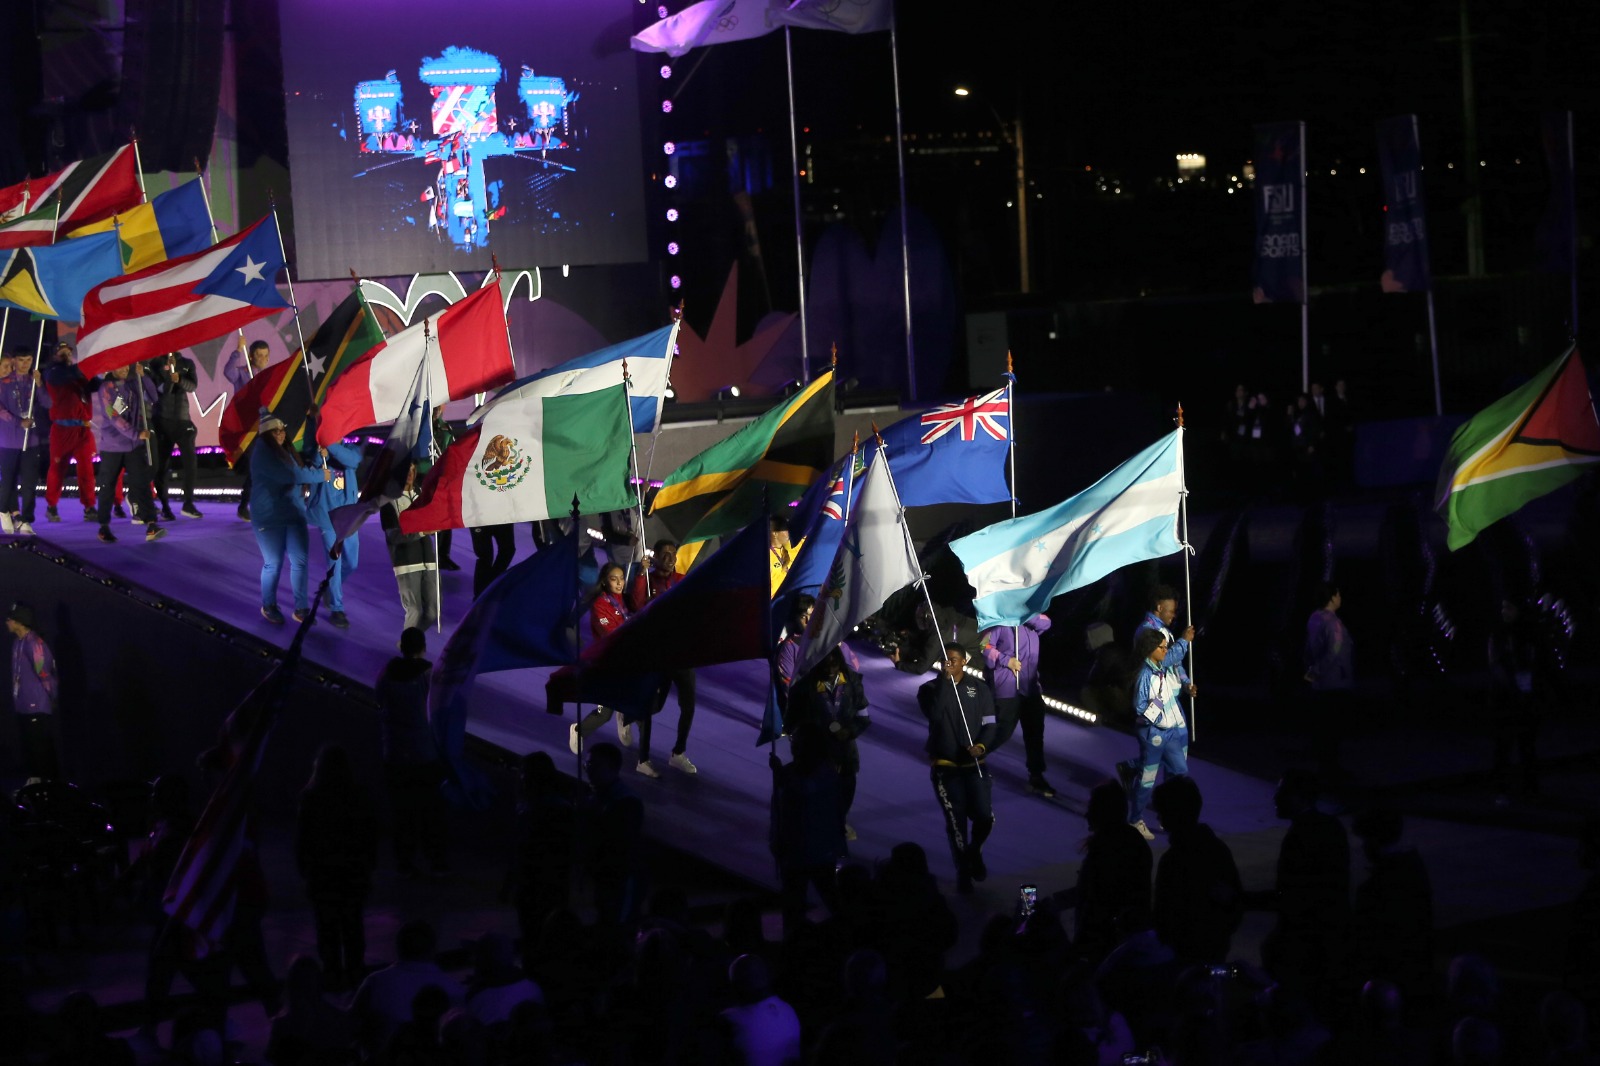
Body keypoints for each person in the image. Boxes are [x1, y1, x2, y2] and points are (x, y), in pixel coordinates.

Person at [917, 641, 999, 894]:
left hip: (974, 765)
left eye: (954, 659)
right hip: (946, 767)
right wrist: (945, 682)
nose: (949, 662)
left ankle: (974, 852)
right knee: (957, 823)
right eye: (945, 659)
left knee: (985, 818)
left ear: (965, 661)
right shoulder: (929, 689)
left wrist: (982, 746)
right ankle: (963, 871)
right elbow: (935, 714)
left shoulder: (980, 689)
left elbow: (990, 724)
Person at [295, 744, 378, 990]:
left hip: (322, 874)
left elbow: (302, 839)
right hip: (354, 873)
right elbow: (370, 836)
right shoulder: (358, 795)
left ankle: (332, 975)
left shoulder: (311, 797)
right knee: (353, 926)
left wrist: (305, 869)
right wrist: (369, 866)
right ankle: (355, 974)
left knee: (327, 928)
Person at [376, 627, 448, 878]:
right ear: (423, 648)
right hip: (423, 754)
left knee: (402, 813)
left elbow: (380, 701)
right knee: (430, 812)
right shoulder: (428, 674)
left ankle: (405, 863)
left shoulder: (386, 673)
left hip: (394, 752)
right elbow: (440, 705)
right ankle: (436, 862)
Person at [1150, 776, 1243, 965]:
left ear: (1173, 813)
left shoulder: (1174, 859)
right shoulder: (1218, 850)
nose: (1158, 817)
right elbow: (1234, 904)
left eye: (1161, 811)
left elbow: (1164, 913)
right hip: (1213, 951)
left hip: (1182, 956)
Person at [250, 408, 328, 624]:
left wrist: (311, 421)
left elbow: (303, 463)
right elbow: (291, 475)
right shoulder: (263, 453)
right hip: (269, 518)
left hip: (293, 514)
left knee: (300, 561)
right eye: (275, 431)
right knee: (273, 563)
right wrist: (320, 475)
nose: (281, 434)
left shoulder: (286, 452)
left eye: (282, 430)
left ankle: (301, 609)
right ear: (266, 435)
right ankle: (268, 605)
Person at [1350, 808, 1434, 1008]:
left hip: (1388, 974)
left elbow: (1367, 943)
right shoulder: (1414, 870)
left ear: (1373, 840)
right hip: (1414, 970)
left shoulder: (1375, 888)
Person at [626, 539, 697, 777]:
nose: (670, 558)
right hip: (657, 654)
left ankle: (678, 753)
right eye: (664, 554)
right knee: (653, 706)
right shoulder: (647, 580)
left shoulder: (682, 580)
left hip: (681, 654)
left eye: (673, 554)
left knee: (688, 705)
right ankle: (643, 759)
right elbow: (637, 605)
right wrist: (641, 574)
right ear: (654, 556)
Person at [350, 920, 465, 1060]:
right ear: (433, 948)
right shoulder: (454, 988)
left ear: (397, 947)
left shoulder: (375, 982)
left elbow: (351, 1026)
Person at [768, 721, 843, 935]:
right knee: (793, 906)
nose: (793, 745)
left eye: (797, 741)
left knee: (832, 898)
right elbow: (778, 809)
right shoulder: (790, 771)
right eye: (793, 740)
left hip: (818, 851)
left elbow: (805, 791)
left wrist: (780, 775)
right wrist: (775, 838)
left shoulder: (825, 771)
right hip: (792, 852)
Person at [1068, 779, 1153, 967]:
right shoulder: (1132, 842)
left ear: (1103, 812)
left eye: (1092, 808)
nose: (1086, 814)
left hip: (1106, 948)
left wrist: (1078, 948)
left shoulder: (1106, 849)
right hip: (1124, 943)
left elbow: (1098, 903)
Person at [788, 647, 870, 840]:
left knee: (846, 788)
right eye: (825, 665)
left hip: (845, 750)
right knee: (814, 792)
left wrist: (849, 731)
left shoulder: (852, 681)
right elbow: (792, 721)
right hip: (814, 750)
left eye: (834, 664)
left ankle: (839, 821)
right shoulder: (804, 686)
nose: (830, 669)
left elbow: (863, 718)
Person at [980, 612, 1056, 797]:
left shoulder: (1032, 620)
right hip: (1008, 686)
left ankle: (1036, 776)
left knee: (1035, 734)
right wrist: (1006, 660)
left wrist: (1024, 614)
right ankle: (970, 759)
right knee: (1002, 731)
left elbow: (1046, 623)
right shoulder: (1000, 620)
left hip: (1030, 687)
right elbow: (984, 646)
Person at [1123, 628, 1188, 841]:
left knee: (1180, 772)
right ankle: (1135, 820)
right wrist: (1157, 717)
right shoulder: (1145, 675)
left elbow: (1174, 657)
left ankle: (1169, 813)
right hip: (1153, 733)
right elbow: (1140, 707)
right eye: (1162, 647)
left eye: (1165, 646)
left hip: (1169, 731)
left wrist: (1184, 642)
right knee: (1147, 779)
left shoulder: (1161, 666)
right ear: (1151, 649)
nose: (1165, 650)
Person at [91, 363, 165, 543]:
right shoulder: (106, 388)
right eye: (120, 366)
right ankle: (104, 526)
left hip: (133, 445)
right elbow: (113, 416)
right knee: (107, 486)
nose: (124, 369)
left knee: (142, 482)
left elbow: (153, 397)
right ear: (112, 367)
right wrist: (135, 434)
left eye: (126, 366)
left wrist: (143, 376)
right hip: (113, 446)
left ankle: (151, 524)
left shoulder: (133, 383)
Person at [42, 341, 116, 522]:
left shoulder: (78, 374)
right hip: (62, 430)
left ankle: (89, 506)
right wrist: (91, 361)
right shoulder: (53, 372)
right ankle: (52, 505)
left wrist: (108, 372)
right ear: (54, 355)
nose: (66, 354)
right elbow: (67, 374)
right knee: (58, 468)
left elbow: (98, 384)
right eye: (62, 352)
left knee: (86, 470)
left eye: (68, 351)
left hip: (83, 429)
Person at [1487, 596, 1552, 804]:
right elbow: (1497, 665)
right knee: (1506, 746)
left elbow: (1540, 663)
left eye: (1509, 608)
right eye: (1503, 608)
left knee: (1525, 745)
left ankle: (1527, 789)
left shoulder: (1530, 634)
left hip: (1524, 696)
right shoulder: (1500, 634)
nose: (1504, 612)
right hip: (1508, 698)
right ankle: (1504, 789)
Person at [569, 563, 637, 756]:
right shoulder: (600, 605)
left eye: (622, 578)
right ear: (605, 582)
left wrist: (642, 573)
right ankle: (579, 730)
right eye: (614, 579)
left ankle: (624, 716)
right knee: (605, 713)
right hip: (608, 663)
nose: (619, 583)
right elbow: (609, 634)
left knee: (637, 699)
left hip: (626, 660)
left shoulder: (625, 599)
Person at [582, 741, 645, 932]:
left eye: (594, 765)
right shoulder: (599, 798)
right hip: (606, 879)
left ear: (612, 767)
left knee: (618, 928)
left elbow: (619, 848)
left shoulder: (625, 803)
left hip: (620, 880)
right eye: (588, 764)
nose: (589, 770)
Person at [303, 437, 362, 629]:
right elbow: (315, 461)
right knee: (334, 564)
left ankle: (329, 588)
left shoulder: (351, 449)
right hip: (327, 517)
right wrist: (322, 452)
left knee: (352, 563)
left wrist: (331, 446)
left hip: (348, 516)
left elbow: (353, 461)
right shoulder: (319, 449)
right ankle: (337, 608)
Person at [380, 461, 440, 633]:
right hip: (406, 562)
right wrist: (422, 531)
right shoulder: (389, 502)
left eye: (413, 471)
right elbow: (394, 536)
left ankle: (410, 641)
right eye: (406, 471)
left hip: (428, 560)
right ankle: (409, 644)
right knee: (414, 611)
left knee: (432, 613)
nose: (410, 475)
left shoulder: (421, 495)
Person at [1304, 582, 1354, 781]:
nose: (1340, 598)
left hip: (1322, 682)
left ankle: (1325, 764)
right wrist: (1317, 671)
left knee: (1324, 725)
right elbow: (1334, 651)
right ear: (1332, 598)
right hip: (1334, 681)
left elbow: (1309, 647)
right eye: (1338, 595)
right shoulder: (1332, 623)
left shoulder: (1314, 618)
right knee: (1332, 726)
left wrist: (1311, 669)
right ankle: (1330, 768)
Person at [145, 351, 202, 520]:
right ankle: (165, 506)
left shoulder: (187, 363)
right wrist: (171, 376)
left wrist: (180, 379)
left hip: (183, 420)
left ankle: (188, 503)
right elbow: (162, 390)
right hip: (162, 420)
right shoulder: (155, 363)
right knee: (162, 466)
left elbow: (193, 386)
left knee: (190, 462)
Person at [7, 602, 59, 781]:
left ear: (19, 621)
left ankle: (49, 786)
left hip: (37, 707)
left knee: (42, 751)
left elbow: (45, 673)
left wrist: (52, 698)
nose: (7, 622)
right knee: (30, 750)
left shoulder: (34, 643)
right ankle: (36, 784)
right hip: (23, 708)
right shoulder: (17, 644)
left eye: (10, 619)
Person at [0, 348, 49, 535]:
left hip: (31, 440)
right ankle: (4, 510)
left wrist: (40, 384)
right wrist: (18, 422)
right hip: (8, 440)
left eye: (28, 360)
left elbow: (48, 403)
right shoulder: (4, 382)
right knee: (8, 481)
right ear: (14, 361)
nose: (25, 364)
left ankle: (26, 520)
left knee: (29, 483)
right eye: (21, 360)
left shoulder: (33, 381)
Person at [225, 339, 272, 520]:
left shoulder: (269, 375)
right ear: (251, 356)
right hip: (248, 430)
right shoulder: (242, 373)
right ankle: (244, 505)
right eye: (259, 355)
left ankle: (259, 504)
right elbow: (228, 372)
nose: (263, 359)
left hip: (265, 427)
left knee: (266, 467)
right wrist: (238, 350)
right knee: (255, 467)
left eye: (266, 355)